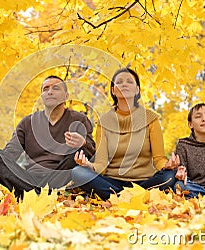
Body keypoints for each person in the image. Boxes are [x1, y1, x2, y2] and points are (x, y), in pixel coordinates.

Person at [71, 68, 178, 200]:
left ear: (137, 90)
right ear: (113, 91)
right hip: (112, 181)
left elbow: (159, 159)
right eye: (119, 82)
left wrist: (167, 166)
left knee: (169, 176)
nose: (124, 84)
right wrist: (88, 165)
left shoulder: (150, 119)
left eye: (129, 82)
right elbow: (101, 163)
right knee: (78, 173)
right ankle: (132, 198)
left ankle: (119, 198)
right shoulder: (104, 122)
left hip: (145, 182)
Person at [0, 75, 95, 198]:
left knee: (79, 153)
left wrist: (83, 143)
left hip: (61, 176)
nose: (50, 92)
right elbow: (10, 154)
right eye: (45, 89)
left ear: (66, 96)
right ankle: (39, 194)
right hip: (29, 178)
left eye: (56, 88)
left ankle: (32, 195)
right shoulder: (28, 122)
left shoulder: (79, 119)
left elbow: (93, 152)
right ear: (42, 96)